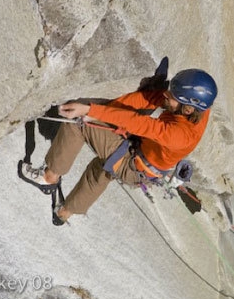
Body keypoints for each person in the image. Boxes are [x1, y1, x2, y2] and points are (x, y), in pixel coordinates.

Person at [19, 67, 217, 225]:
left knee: (80, 124)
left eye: (172, 96)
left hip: (134, 162)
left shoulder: (179, 135)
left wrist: (91, 110)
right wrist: (112, 107)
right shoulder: (201, 108)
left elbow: (140, 124)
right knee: (102, 168)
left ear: (188, 108)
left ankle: (48, 177)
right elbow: (153, 99)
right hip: (144, 163)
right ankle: (63, 214)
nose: (167, 95)